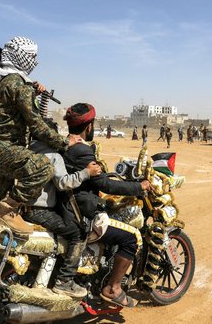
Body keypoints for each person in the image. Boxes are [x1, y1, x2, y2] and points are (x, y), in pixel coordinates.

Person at [0, 36, 70, 235]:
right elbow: (36, 125)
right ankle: (9, 210)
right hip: (8, 149)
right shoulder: (18, 83)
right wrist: (65, 143)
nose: (34, 61)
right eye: (31, 57)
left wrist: (32, 94)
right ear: (21, 57)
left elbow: (10, 109)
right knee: (44, 167)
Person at [62, 103, 151, 308]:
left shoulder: (65, 146)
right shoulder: (82, 150)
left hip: (67, 207)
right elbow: (103, 184)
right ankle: (113, 288)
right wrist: (139, 187)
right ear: (89, 126)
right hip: (83, 214)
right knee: (132, 238)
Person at [23, 118, 102, 298]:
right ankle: (64, 281)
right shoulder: (54, 156)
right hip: (40, 211)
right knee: (78, 233)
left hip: (23, 210)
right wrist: (86, 173)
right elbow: (63, 183)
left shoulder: (27, 151)